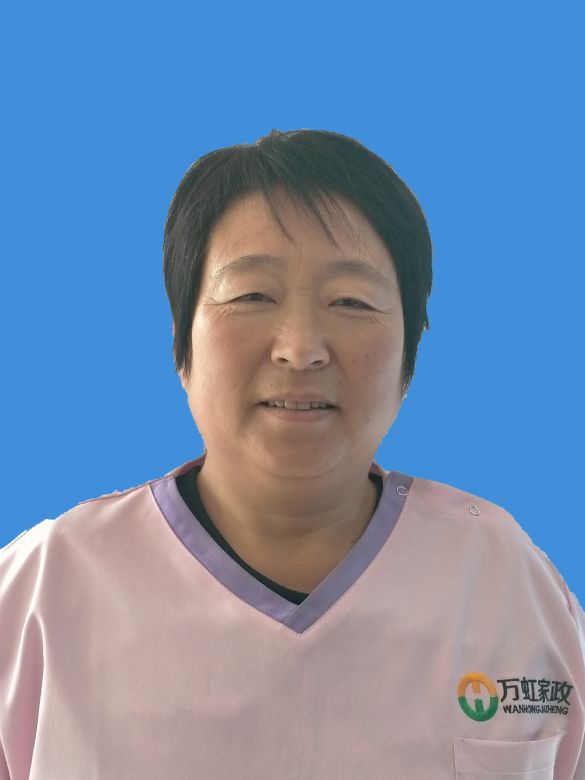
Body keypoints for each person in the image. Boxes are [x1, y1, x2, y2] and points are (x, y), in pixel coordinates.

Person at [1, 129, 583, 779]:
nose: (300, 349)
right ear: (181, 341)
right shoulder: (41, 590)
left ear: (409, 354)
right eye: (252, 295)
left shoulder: (503, 580)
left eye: (351, 301)